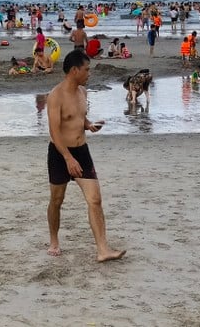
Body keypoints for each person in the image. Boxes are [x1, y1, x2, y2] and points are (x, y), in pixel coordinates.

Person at [45, 49, 126, 262]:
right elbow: (54, 131)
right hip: (60, 153)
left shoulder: (83, 92)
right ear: (74, 70)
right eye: (86, 69)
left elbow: (79, 115)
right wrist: (67, 158)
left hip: (82, 151)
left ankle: (103, 250)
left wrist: (89, 125)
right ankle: (54, 240)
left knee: (95, 199)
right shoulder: (55, 96)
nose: (89, 73)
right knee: (57, 200)